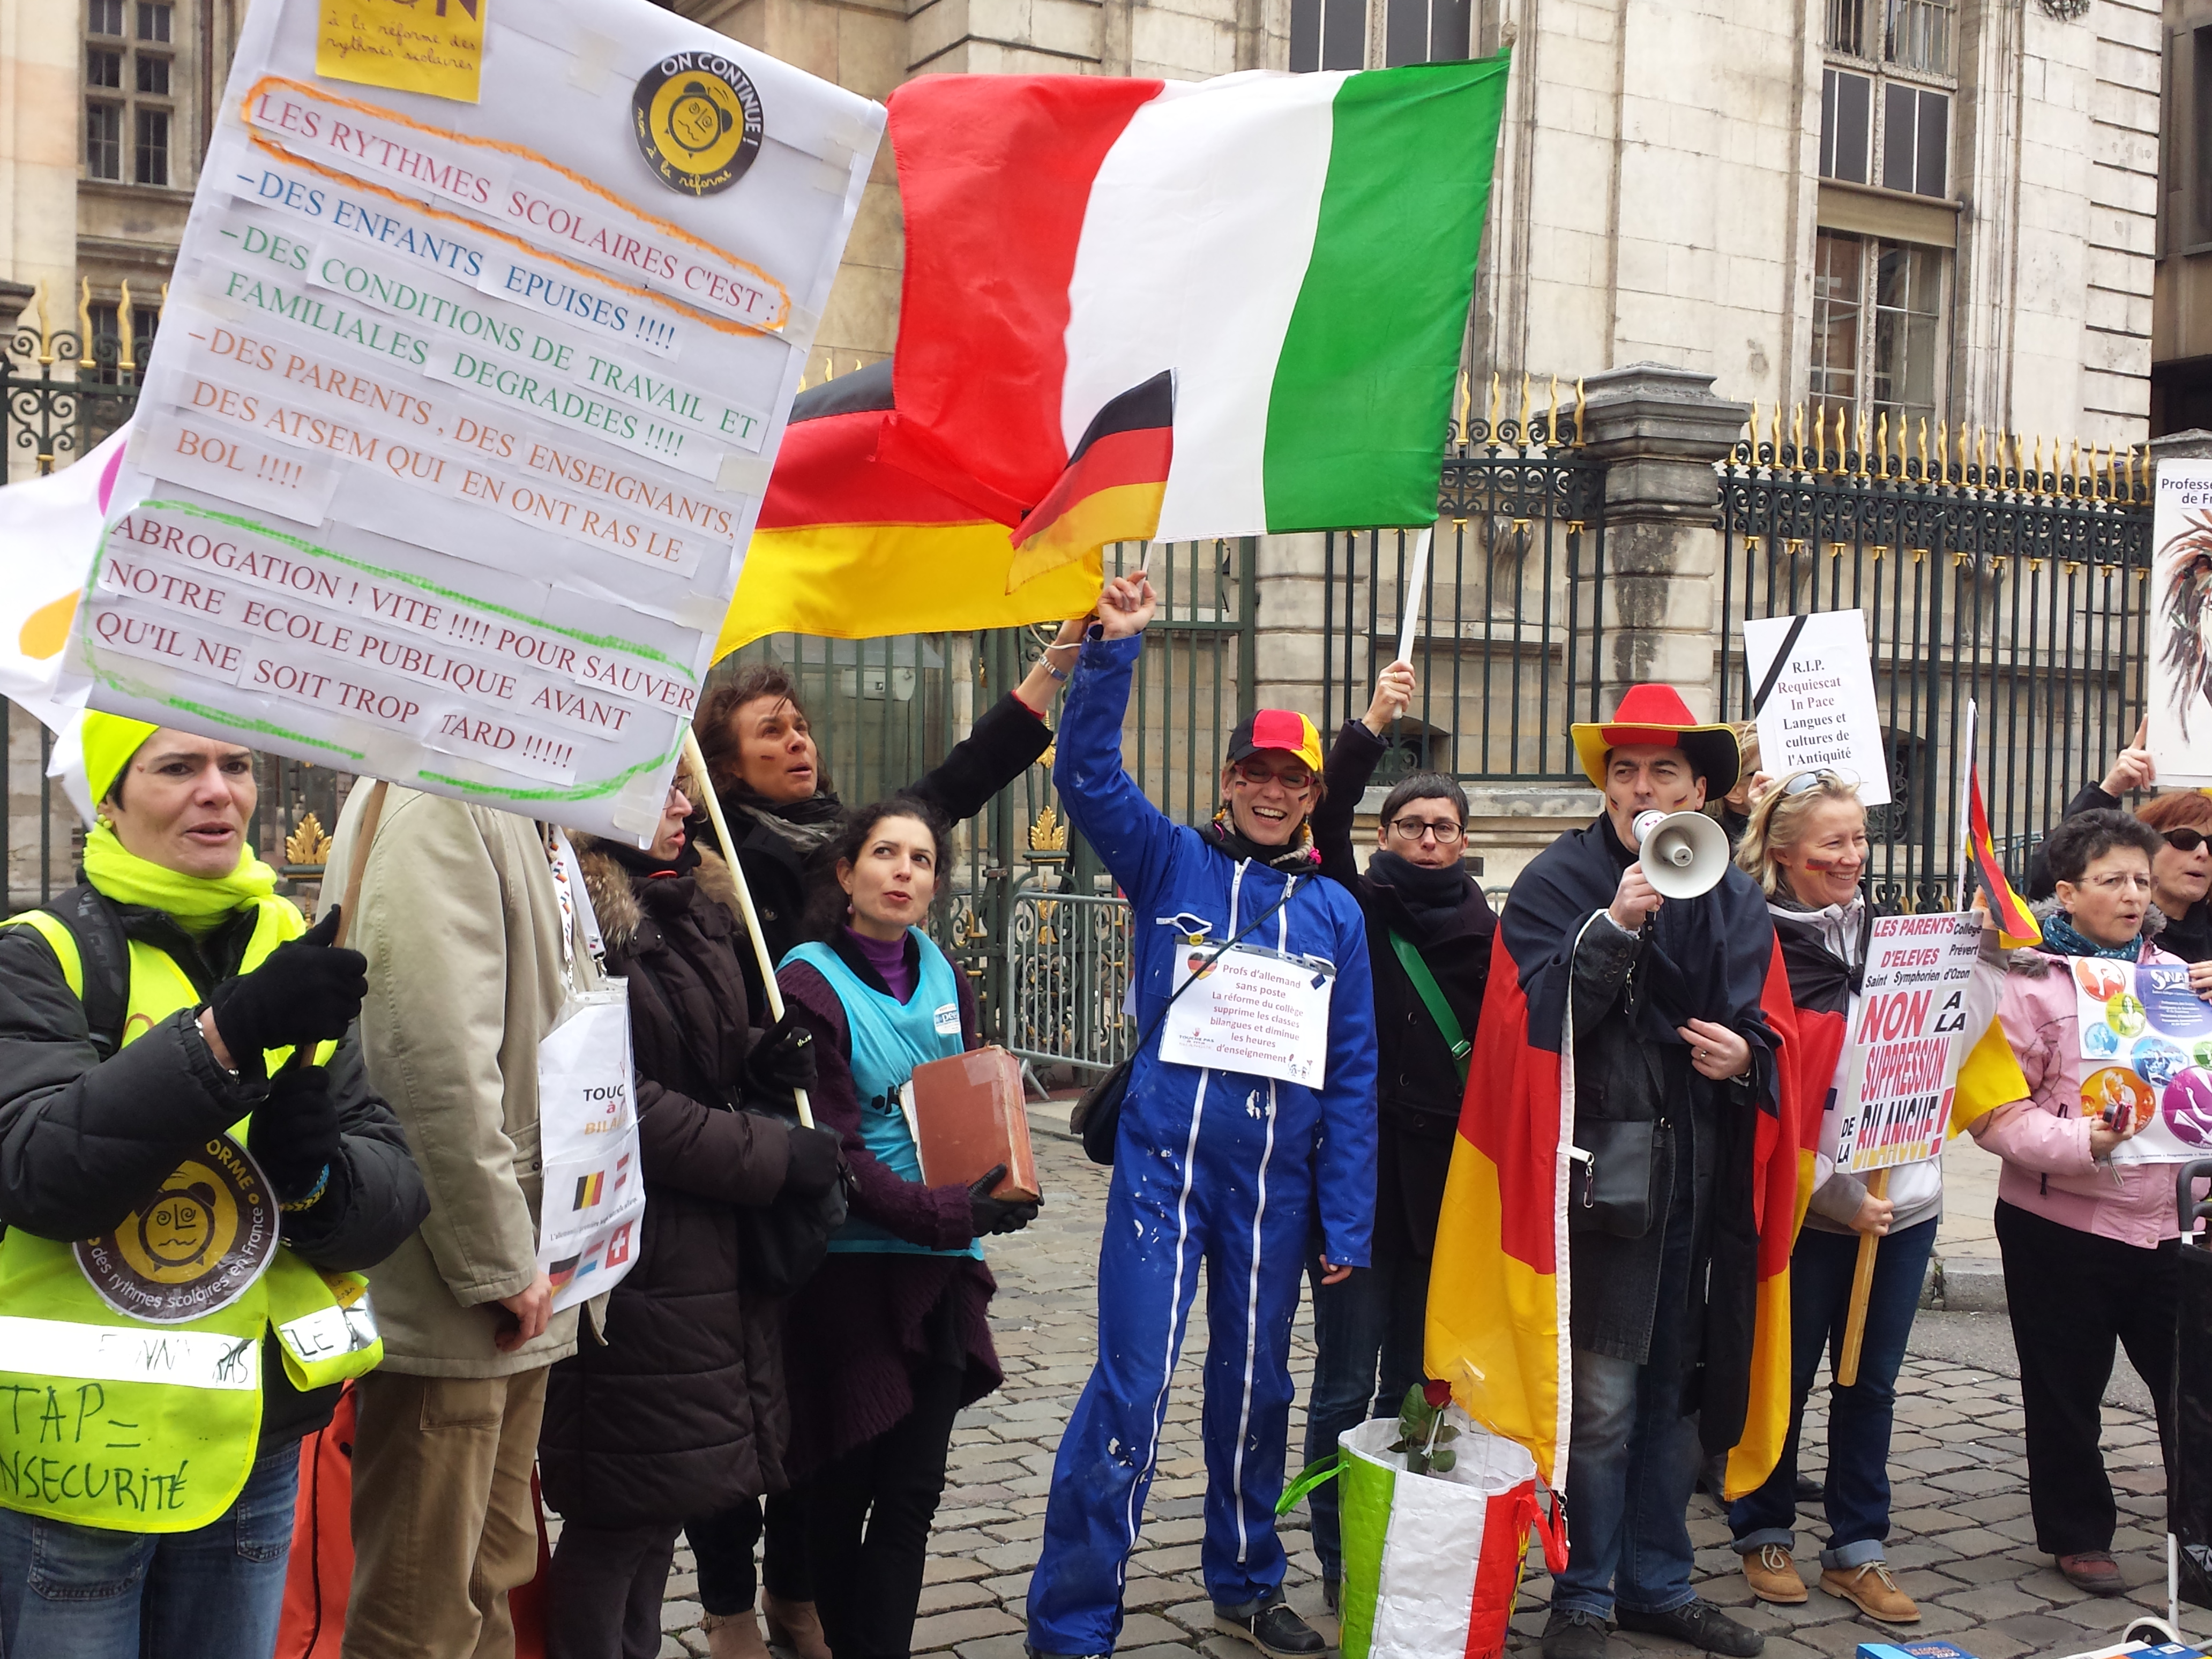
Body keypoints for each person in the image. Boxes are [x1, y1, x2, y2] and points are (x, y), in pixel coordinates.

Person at [687, 625, 1083, 1656]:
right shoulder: (702, 854)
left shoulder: (842, 845)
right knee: (747, 1427)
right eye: (771, 730)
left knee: (858, 1472)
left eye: (802, 724)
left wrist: (1046, 676)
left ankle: (799, 1602)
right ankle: (732, 1606)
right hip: (750, 1176)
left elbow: (953, 785)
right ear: (723, 763)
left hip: (872, 1207)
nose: (799, 741)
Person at [0, 714, 427, 1657]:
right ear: (108, 800)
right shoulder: (38, 953)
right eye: (177, 767)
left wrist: (314, 1178)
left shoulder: (295, 943)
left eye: (234, 765)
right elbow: (39, 1173)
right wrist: (223, 1037)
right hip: (75, 1460)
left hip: (255, 1439)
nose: (217, 790)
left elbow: (391, 1188)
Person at [1027, 571, 1378, 1659]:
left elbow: (1354, 1071)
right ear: (1229, 781)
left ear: (1315, 795)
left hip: (1275, 1193)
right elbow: (1087, 778)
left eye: (1293, 779)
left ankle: (1247, 1577)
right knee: (1132, 1384)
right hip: (1160, 1178)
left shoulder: (1335, 912)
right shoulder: (1166, 857)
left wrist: (1348, 1223)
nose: (1272, 792)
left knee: (1257, 1387)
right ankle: (1075, 1619)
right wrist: (1114, 652)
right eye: (1255, 774)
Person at [1505, 684, 1782, 1659]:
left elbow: (1761, 1020)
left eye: (1662, 770)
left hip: (1692, 1176)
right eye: (1623, 770)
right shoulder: (1557, 878)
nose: (1639, 786)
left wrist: (1744, 1059)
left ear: (1702, 790)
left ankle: (1657, 1583)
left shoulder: (1737, 892)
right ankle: (1581, 1593)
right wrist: (1614, 928)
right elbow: (1531, 1025)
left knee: (1673, 1388)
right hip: (1595, 1180)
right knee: (1605, 1398)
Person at [537, 768, 838, 1659]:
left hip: (701, 1254)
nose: (686, 806)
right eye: (662, 788)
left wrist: (759, 1056)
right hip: (633, 1254)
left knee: (659, 1506)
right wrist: (776, 1154)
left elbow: (694, 1050)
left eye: (684, 786)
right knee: (617, 1516)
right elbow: (619, 1103)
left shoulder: (689, 900)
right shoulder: (575, 920)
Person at [327, 781, 607, 1659]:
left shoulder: (516, 800)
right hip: (470, 1271)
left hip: (528, 1249)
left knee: (491, 1573)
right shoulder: (438, 798)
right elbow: (424, 1054)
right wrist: (496, 1256)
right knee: (425, 1606)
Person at [772, 796, 1038, 1659]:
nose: (905, 872)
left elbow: (964, 1093)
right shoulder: (808, 980)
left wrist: (1005, 1177)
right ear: (846, 875)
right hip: (851, 1268)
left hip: (939, 1264)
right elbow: (837, 1147)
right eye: (886, 854)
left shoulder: (941, 970)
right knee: (843, 1486)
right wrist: (949, 1211)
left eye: (922, 861)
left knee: (914, 1492)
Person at [1300, 660, 1494, 1606]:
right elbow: (1319, 818)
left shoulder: (1487, 928)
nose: (1425, 839)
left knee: (1418, 1389)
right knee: (1342, 1385)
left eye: (1442, 827)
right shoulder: (1357, 903)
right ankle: (1339, 1563)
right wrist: (1372, 721)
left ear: (1463, 840)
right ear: (1384, 835)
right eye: (1409, 825)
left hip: (1446, 1191)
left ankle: (1397, 1548)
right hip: (1361, 1181)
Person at [1725, 771, 1927, 1625]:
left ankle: (1858, 1546)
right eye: (1833, 842)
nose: (1852, 858)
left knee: (1870, 1382)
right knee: (1787, 1366)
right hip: (1805, 1204)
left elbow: (1945, 1050)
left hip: (1903, 1198)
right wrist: (1830, 1195)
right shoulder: (1756, 940)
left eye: (1859, 841)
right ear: (1781, 850)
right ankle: (1763, 1525)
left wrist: (1987, 959)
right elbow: (1761, 1094)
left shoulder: (1899, 936)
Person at [1967, 809, 2181, 1596]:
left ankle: (2197, 1530)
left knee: (2192, 1383)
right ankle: (2077, 1533)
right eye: (2113, 880)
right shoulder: (2026, 982)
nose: (2132, 896)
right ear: (2067, 891)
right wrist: (2077, 1143)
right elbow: (1994, 1113)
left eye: (2141, 881)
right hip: (2061, 1221)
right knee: (2065, 1389)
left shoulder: (2175, 977)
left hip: (2171, 1222)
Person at [2024, 724, 2212, 968]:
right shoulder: (2093, 931)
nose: (2203, 853)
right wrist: (2110, 789)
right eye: (2185, 839)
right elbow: (2049, 872)